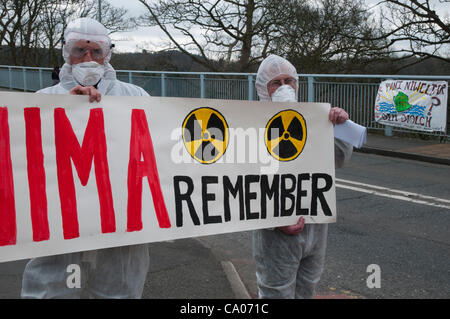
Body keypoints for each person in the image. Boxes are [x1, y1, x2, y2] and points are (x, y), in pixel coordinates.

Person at [21, 17, 151, 299]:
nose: (88, 58)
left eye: (96, 51)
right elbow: (26, 162)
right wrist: (69, 109)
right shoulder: (42, 100)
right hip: (59, 233)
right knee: (52, 292)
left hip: (120, 235)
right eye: (80, 50)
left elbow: (155, 155)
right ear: (67, 52)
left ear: (108, 54)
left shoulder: (136, 97)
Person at [252, 54, 353, 299]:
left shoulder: (312, 120)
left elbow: (339, 158)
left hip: (316, 226)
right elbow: (242, 187)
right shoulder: (250, 125)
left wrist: (338, 125)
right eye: (276, 83)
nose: (285, 87)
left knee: (307, 288)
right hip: (275, 234)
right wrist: (275, 219)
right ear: (263, 89)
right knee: (276, 292)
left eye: (290, 81)